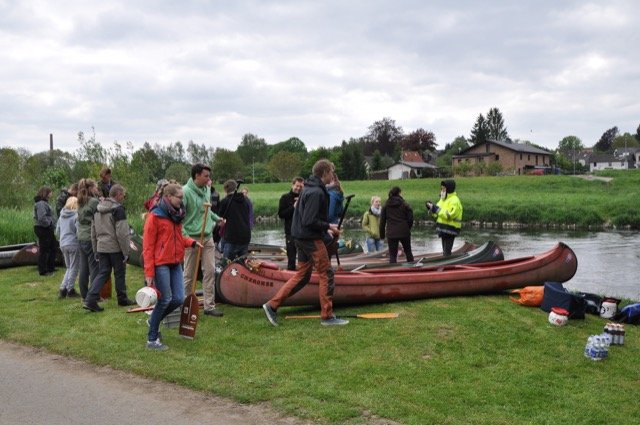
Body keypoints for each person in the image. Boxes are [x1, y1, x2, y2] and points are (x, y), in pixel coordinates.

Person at [262, 159, 348, 327]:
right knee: (326, 273)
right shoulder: (316, 192)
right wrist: (328, 226)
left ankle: (272, 305)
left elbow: (307, 218)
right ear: (325, 172)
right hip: (310, 238)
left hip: (299, 237)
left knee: (302, 276)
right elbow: (309, 220)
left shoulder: (309, 188)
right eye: (331, 171)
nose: (333, 175)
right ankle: (327, 316)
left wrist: (327, 228)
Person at [143, 184, 200, 350]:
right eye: (179, 197)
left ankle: (153, 320)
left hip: (175, 262)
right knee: (165, 299)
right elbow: (148, 247)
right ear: (168, 197)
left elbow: (177, 239)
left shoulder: (176, 215)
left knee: (178, 299)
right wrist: (149, 272)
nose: (182, 200)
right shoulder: (155, 216)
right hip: (160, 263)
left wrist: (191, 242)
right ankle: (152, 340)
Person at [83, 184, 135, 312]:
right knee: (119, 273)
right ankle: (122, 298)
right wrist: (126, 251)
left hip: (101, 246)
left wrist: (95, 249)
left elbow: (93, 232)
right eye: (123, 195)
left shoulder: (97, 209)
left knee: (103, 273)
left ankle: (90, 299)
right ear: (118, 194)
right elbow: (122, 233)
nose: (123, 197)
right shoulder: (118, 209)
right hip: (115, 247)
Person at [182, 163, 224, 317]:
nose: (208, 179)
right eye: (206, 176)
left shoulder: (207, 189)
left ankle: (209, 306)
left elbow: (207, 210)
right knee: (189, 274)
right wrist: (186, 237)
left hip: (207, 237)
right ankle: (186, 304)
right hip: (192, 238)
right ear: (197, 176)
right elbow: (179, 218)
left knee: (210, 271)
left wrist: (217, 219)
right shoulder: (185, 192)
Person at [76, 178, 101, 300]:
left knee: (84, 268)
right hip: (90, 237)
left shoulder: (80, 201)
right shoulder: (94, 202)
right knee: (95, 267)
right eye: (95, 187)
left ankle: (84, 294)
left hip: (81, 236)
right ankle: (93, 295)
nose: (97, 189)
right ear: (91, 188)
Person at [426, 180, 463, 257]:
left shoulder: (455, 200)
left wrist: (436, 209)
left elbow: (449, 216)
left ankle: (448, 263)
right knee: (445, 251)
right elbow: (437, 215)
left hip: (451, 229)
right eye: (441, 188)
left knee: (447, 252)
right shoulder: (442, 200)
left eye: (443, 189)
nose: (442, 191)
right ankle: (446, 261)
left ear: (449, 189)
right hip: (443, 228)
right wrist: (431, 209)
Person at [379, 186, 414, 264]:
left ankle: (393, 269)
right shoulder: (404, 204)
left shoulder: (386, 205)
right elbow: (410, 218)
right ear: (399, 193)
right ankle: (412, 268)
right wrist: (407, 228)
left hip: (391, 233)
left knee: (392, 255)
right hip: (404, 232)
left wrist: (382, 236)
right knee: (408, 252)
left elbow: (382, 222)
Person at [219, 180, 252, 261]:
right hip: (245, 236)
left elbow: (220, 218)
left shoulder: (225, 201)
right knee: (243, 264)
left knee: (227, 264)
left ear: (226, 189)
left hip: (232, 237)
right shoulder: (246, 200)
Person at [55, 196, 80, 298]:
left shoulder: (61, 216)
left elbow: (57, 231)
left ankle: (62, 288)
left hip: (63, 244)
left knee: (69, 267)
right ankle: (70, 289)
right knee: (74, 267)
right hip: (73, 243)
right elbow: (78, 231)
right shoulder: (76, 216)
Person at [278, 177, 304, 271]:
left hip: (303, 233)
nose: (298, 188)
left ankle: (303, 274)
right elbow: (281, 214)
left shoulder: (305, 198)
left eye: (301, 186)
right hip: (290, 232)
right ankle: (290, 274)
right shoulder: (285, 198)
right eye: (297, 186)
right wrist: (293, 207)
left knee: (304, 258)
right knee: (291, 257)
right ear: (292, 185)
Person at [33, 186, 58, 276]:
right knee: (44, 249)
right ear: (46, 193)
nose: (51, 193)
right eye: (50, 192)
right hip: (43, 228)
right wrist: (49, 223)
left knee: (53, 246)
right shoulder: (40, 204)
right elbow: (42, 218)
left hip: (47, 228)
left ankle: (51, 267)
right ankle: (43, 270)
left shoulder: (44, 203)